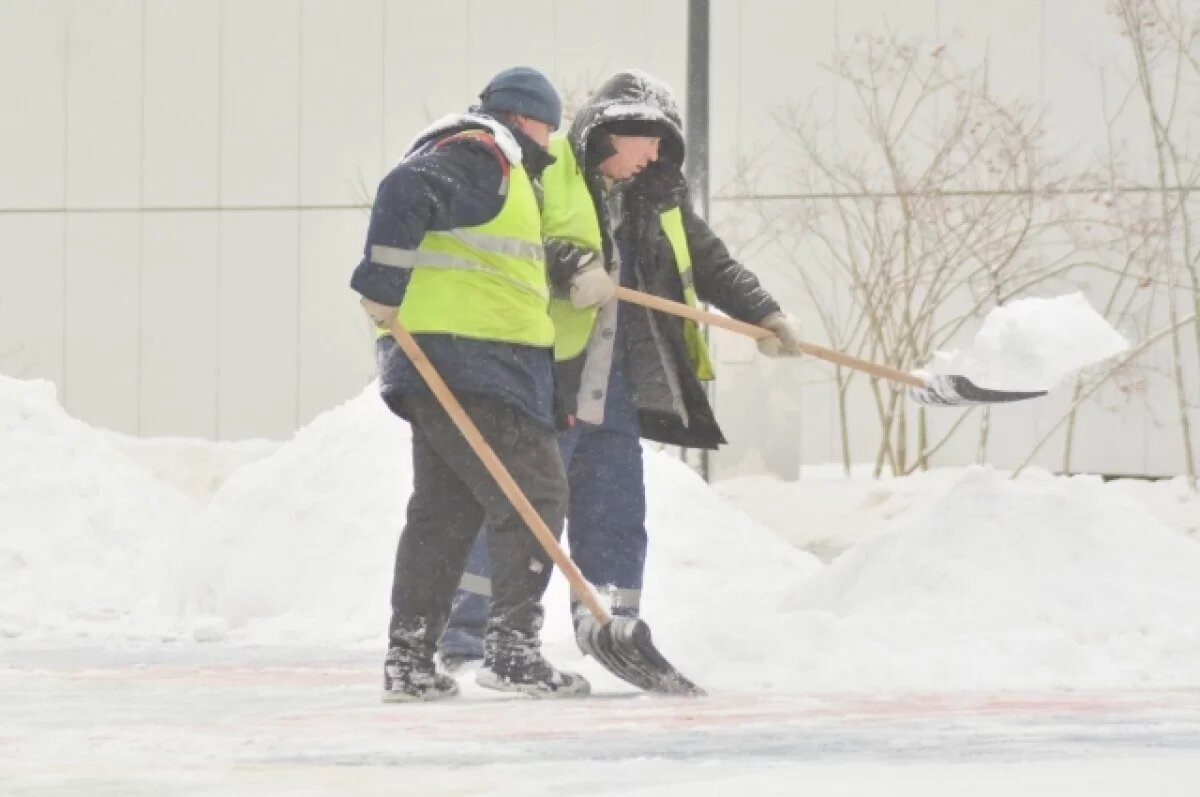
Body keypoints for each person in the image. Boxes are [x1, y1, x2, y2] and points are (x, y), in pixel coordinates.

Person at [440, 69, 804, 667]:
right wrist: (568, 265)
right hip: (547, 376)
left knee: (615, 513)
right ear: (613, 132)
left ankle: (611, 623)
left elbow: (710, 261)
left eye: (663, 148)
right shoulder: (545, 170)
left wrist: (765, 313)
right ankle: (469, 635)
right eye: (649, 142)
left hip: (617, 384)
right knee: (522, 508)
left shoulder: (655, 200)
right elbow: (508, 241)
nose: (654, 157)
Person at [351, 66, 590, 702]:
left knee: (444, 512)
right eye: (549, 128)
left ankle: (409, 661)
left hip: (439, 364)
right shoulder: (486, 153)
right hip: (479, 364)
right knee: (536, 494)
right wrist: (380, 283)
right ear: (527, 119)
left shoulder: (482, 163)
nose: (550, 143)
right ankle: (512, 652)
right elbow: (406, 190)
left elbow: (485, 254)